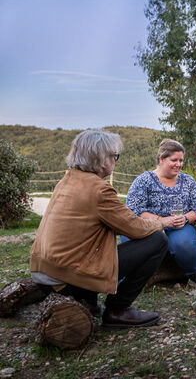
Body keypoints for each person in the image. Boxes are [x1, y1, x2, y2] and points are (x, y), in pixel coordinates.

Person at [30, 130, 168, 328]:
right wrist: (161, 223)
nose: (115, 160)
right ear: (101, 159)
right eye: (114, 156)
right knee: (157, 241)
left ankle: (89, 300)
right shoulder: (99, 190)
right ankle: (118, 309)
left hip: (44, 271)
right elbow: (135, 228)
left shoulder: (67, 180)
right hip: (65, 278)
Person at [124, 139, 196, 287]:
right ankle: (130, 277)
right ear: (161, 159)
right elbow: (133, 210)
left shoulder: (188, 181)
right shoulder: (144, 180)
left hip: (180, 227)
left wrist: (184, 218)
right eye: (174, 160)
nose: (178, 164)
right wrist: (160, 221)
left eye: (181, 160)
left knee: (184, 242)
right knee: (133, 242)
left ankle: (194, 272)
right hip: (148, 226)